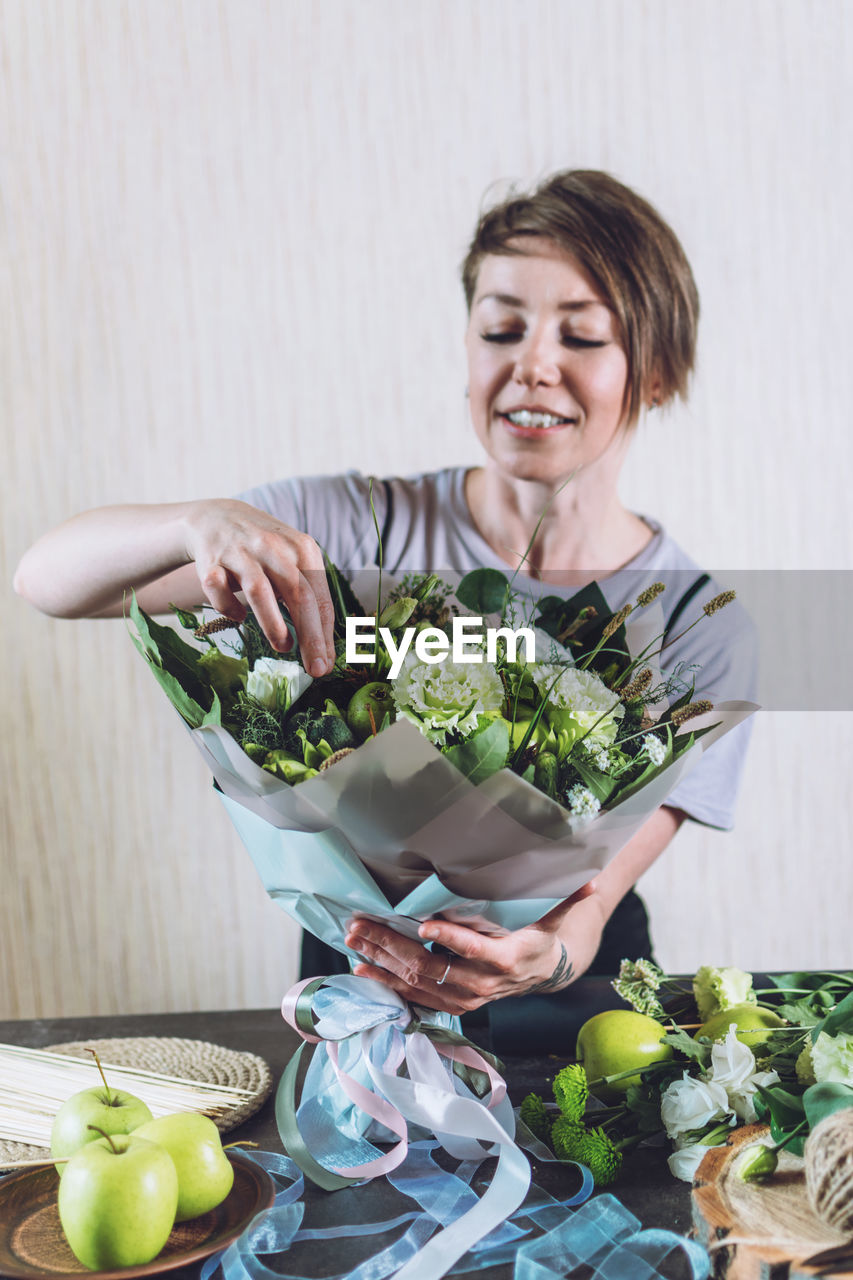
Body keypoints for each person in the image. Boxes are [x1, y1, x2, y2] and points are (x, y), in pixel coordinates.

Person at [14, 170, 756, 1031]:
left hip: (569, 1008)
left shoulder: (698, 622)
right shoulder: (348, 531)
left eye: (582, 337)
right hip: (359, 970)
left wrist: (540, 958)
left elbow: (594, 897)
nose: (532, 366)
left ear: (657, 371)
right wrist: (195, 523)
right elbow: (46, 581)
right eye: (500, 328)